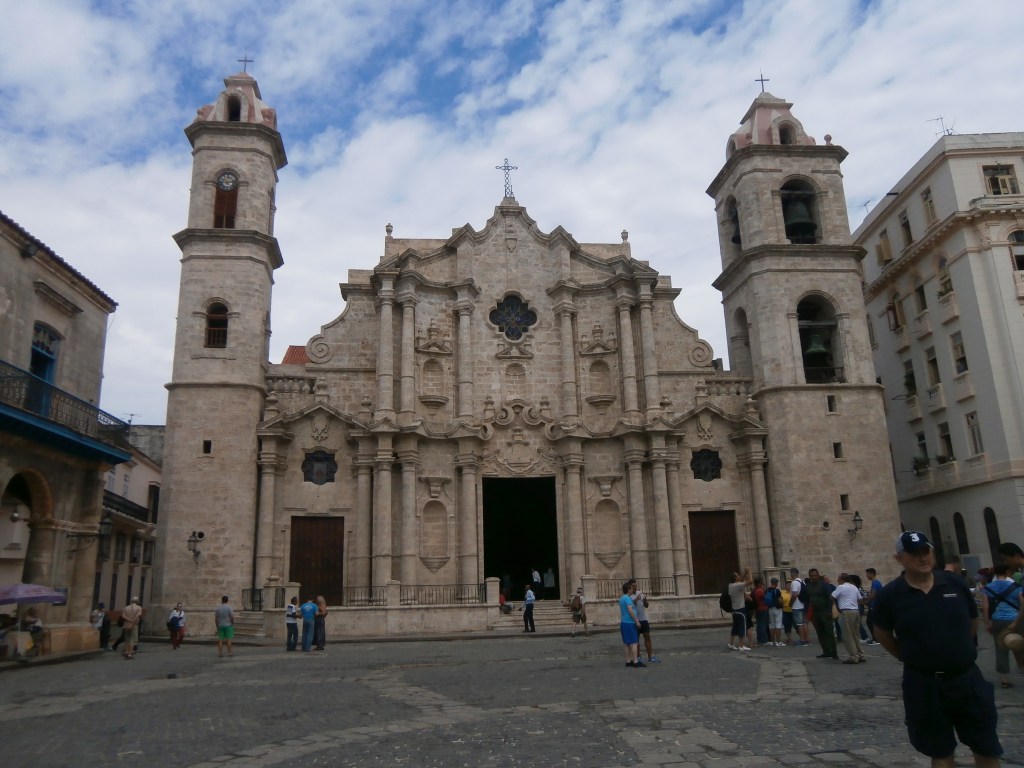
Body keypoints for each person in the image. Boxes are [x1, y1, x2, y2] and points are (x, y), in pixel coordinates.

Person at [874, 530, 1002, 768]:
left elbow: (972, 622)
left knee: (986, 746)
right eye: (914, 554)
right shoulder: (891, 594)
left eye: (926, 552)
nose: (922, 558)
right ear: (899, 558)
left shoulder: (953, 582)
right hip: (924, 683)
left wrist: (955, 649)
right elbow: (882, 633)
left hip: (966, 678)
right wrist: (910, 656)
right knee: (940, 751)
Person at [979, 562, 1023, 688]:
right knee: (1021, 644)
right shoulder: (1016, 586)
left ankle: (1004, 679)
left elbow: (985, 608)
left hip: (997, 620)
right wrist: (1017, 621)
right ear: (1008, 572)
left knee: (1000, 649)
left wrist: (987, 623)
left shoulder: (987, 588)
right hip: (1015, 619)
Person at [803, 569, 838, 660]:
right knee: (820, 632)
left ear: (818, 576)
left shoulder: (824, 585)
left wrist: (829, 611)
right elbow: (806, 599)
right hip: (815, 612)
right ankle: (825, 651)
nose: (813, 577)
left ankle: (833, 652)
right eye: (811, 576)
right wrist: (807, 612)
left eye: (814, 575)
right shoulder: (808, 586)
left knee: (829, 632)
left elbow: (830, 598)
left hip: (825, 611)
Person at [833, 573, 865, 664]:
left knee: (848, 635)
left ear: (842, 579)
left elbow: (832, 596)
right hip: (855, 611)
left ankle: (853, 656)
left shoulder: (840, 587)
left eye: (838, 578)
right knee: (855, 634)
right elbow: (860, 599)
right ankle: (860, 654)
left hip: (846, 611)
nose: (837, 580)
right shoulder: (854, 587)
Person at [631, 580, 659, 662]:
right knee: (636, 640)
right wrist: (636, 599)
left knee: (647, 637)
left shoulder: (641, 593)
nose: (635, 587)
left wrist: (645, 602)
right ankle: (638, 656)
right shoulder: (629, 596)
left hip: (644, 620)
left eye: (636, 585)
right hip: (635, 620)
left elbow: (646, 605)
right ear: (630, 587)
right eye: (633, 586)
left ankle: (650, 656)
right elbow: (630, 606)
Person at [619, 580, 643, 668]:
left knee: (626, 643)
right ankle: (636, 661)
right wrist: (636, 620)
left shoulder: (621, 598)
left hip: (624, 622)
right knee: (634, 642)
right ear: (628, 590)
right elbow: (630, 610)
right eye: (631, 588)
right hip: (629, 623)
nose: (633, 589)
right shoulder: (627, 598)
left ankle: (628, 661)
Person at [727, 567, 752, 651]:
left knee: (735, 627)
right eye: (737, 575)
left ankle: (731, 643)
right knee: (742, 627)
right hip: (740, 609)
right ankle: (741, 645)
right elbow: (750, 582)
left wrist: (744, 574)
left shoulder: (731, 585)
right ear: (735, 578)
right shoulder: (737, 585)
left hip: (735, 610)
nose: (739, 576)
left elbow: (740, 580)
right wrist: (749, 572)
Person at [788, 567, 810, 646]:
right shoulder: (802, 582)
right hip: (803, 605)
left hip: (797, 606)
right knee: (805, 623)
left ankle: (802, 640)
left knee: (799, 624)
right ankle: (807, 639)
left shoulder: (794, 582)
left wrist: (790, 603)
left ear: (792, 573)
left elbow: (794, 594)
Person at [864, 567, 884, 644]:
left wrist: (867, 601)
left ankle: (876, 639)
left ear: (872, 574)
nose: (866, 576)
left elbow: (873, 595)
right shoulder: (877, 583)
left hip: (873, 606)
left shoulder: (875, 583)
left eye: (867, 574)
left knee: (870, 622)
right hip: (875, 605)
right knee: (872, 622)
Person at [751, 576, 770, 647]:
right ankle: (764, 640)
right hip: (762, 609)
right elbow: (766, 597)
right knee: (763, 625)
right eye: (762, 583)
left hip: (759, 609)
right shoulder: (759, 591)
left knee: (760, 625)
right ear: (759, 584)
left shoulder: (755, 590)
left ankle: (760, 639)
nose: (763, 584)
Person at [766, 577, 784, 646]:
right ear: (776, 583)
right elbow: (780, 600)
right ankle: (778, 641)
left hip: (770, 608)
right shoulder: (777, 591)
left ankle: (772, 641)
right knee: (778, 625)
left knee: (772, 625)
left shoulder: (767, 590)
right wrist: (782, 605)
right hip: (777, 608)